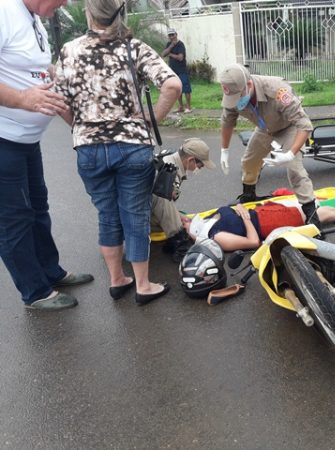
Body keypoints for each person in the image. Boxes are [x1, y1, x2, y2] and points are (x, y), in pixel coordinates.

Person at [53, 0, 182, 305]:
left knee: (107, 215)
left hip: (89, 149)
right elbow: (173, 86)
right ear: (120, 12)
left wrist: (81, 128)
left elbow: (59, 101)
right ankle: (143, 285)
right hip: (132, 146)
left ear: (89, 12)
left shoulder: (69, 51)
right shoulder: (133, 47)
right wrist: (152, 118)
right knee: (135, 216)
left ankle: (117, 280)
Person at [0, 0, 94, 311]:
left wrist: (58, 75)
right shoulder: (3, 11)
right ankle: (35, 292)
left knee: (38, 208)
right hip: (4, 140)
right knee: (14, 220)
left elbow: (32, 66)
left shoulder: (33, 17)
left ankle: (50, 272)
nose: (65, 3)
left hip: (27, 139)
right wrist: (22, 97)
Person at [218, 63, 321, 228]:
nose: (236, 101)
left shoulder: (277, 90)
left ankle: (311, 213)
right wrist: (224, 150)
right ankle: (249, 195)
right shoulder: (233, 96)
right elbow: (227, 122)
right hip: (265, 128)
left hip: (289, 127)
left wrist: (289, 154)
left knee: (294, 168)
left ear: (249, 84)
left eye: (238, 96)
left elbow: (304, 124)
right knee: (249, 162)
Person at [186, 192, 335, 252]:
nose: (186, 221)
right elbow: (252, 242)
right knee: (325, 213)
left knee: (321, 209)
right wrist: (245, 217)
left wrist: (240, 208)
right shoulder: (216, 236)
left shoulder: (205, 222)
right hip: (268, 223)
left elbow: (186, 222)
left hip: (266, 212)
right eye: (186, 224)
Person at [151, 138, 215, 262]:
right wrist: (180, 235)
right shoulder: (168, 172)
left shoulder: (168, 159)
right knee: (164, 201)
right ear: (190, 160)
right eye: (200, 165)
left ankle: (173, 238)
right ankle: (180, 247)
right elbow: (162, 202)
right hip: (138, 219)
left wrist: (178, 216)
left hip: (139, 209)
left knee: (182, 217)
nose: (200, 168)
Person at [162, 28, 191, 113]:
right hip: (173, 71)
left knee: (186, 88)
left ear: (176, 34)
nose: (171, 37)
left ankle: (188, 107)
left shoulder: (180, 44)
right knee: (177, 89)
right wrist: (171, 46)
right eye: (169, 35)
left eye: (173, 35)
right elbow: (163, 54)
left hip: (182, 70)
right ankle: (181, 107)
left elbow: (180, 58)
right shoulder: (169, 44)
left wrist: (170, 54)